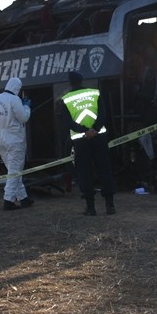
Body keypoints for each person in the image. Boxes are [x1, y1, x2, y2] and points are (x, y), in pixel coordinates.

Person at [61, 71, 116, 216]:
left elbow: (68, 122)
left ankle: (90, 207)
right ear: (82, 80)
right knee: (105, 169)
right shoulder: (95, 93)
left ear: (70, 83)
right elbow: (103, 113)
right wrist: (95, 129)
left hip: (81, 140)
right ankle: (110, 206)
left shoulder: (66, 99)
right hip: (99, 137)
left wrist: (85, 131)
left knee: (85, 172)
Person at [0, 76, 33, 211]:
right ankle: (8, 200)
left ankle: (23, 198)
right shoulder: (15, 100)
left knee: (13, 170)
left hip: (1, 138)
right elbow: (24, 118)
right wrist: (26, 107)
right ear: (17, 88)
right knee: (15, 170)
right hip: (15, 139)